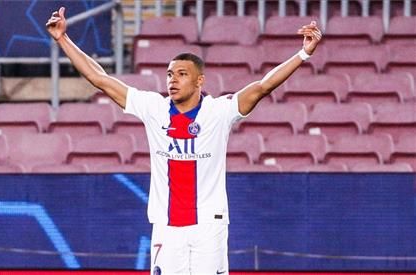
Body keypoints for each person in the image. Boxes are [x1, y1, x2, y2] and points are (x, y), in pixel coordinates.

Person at [46, 7, 322, 275]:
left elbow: (263, 86)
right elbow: (99, 78)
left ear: (199, 80)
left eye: (181, 74)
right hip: (166, 227)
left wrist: (303, 54)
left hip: (208, 227)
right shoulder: (153, 108)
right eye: (169, 74)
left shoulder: (219, 111)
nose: (173, 80)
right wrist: (63, 39)